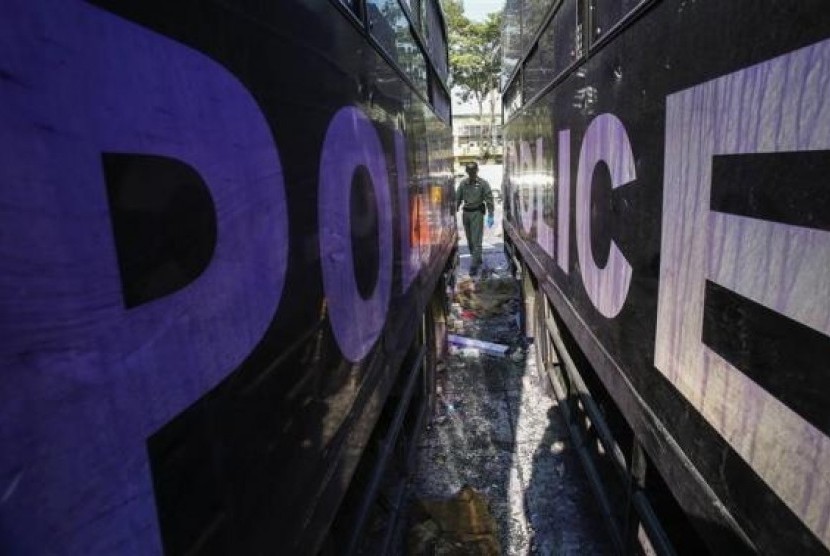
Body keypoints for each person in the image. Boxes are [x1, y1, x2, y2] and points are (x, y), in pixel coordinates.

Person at [456, 161, 494, 275]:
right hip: (466, 214)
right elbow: (457, 199)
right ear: (467, 172)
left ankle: (474, 265)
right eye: (469, 172)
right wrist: (454, 210)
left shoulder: (483, 184)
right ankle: (476, 257)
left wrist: (491, 214)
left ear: (477, 171)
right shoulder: (463, 184)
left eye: (473, 171)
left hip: (477, 213)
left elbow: (489, 199)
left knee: (476, 240)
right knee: (470, 240)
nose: (471, 174)